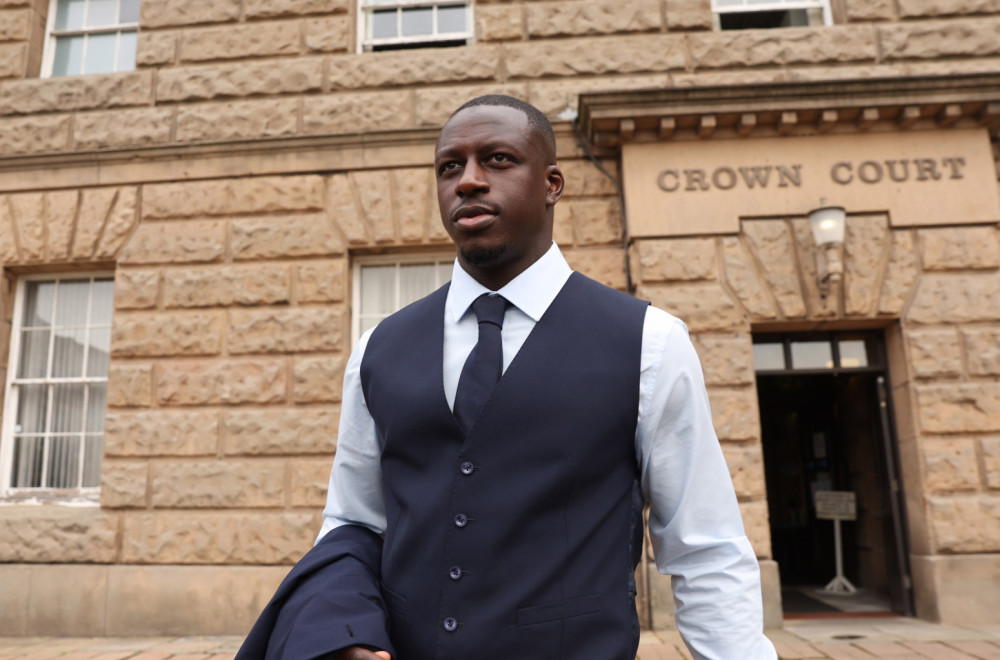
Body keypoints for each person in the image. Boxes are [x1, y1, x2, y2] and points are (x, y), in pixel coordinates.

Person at [236, 95, 777, 660]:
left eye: (497, 160)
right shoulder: (379, 348)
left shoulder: (649, 341)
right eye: (450, 166)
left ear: (551, 184)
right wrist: (345, 633)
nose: (468, 181)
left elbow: (704, 548)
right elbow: (352, 522)